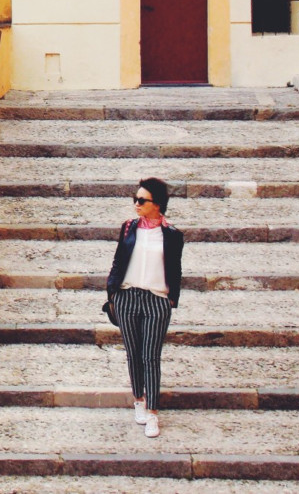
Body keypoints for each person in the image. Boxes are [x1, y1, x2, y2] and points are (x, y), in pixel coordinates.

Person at [105, 177, 184, 438]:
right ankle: (138, 399)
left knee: (151, 356)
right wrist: (113, 293)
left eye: (142, 200)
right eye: (135, 199)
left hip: (156, 299)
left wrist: (171, 299)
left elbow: (175, 269)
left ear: (157, 204)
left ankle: (152, 413)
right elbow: (118, 261)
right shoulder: (128, 228)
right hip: (127, 297)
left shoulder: (172, 235)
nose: (136, 204)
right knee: (133, 353)